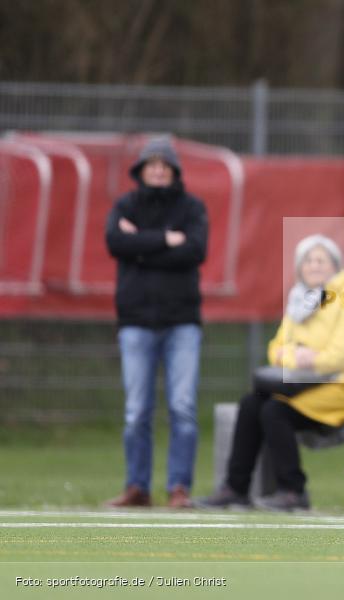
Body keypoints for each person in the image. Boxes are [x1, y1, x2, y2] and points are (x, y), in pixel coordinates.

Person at [197, 235, 344, 511]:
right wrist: (300, 357)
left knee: (273, 410)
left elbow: (343, 357)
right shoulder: (299, 298)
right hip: (304, 382)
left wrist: (309, 358)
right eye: (308, 260)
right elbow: (277, 350)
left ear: (335, 266)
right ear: (299, 266)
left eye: (321, 260)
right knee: (252, 403)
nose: (314, 266)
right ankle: (235, 488)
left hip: (343, 385)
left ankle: (294, 491)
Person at [104, 136, 208, 509]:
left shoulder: (192, 208)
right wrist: (166, 240)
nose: (159, 170)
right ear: (142, 170)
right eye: (152, 165)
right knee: (136, 412)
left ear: (174, 171)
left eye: (165, 165)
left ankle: (179, 487)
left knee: (182, 406)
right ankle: (137, 487)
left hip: (182, 322)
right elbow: (116, 243)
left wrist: (143, 247)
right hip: (135, 321)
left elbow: (195, 251)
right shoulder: (124, 205)